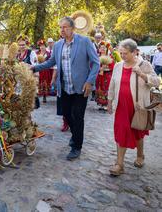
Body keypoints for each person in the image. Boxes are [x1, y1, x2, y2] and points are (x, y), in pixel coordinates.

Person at [32, 16, 100, 160]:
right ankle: (76, 135)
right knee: (67, 115)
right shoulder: (57, 45)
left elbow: (96, 63)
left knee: (78, 116)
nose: (62, 30)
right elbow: (50, 62)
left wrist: (90, 81)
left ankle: (76, 146)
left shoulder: (85, 41)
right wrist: (33, 68)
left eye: (65, 27)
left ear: (72, 28)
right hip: (64, 87)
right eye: (60, 27)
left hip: (82, 87)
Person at [107, 39, 160, 176]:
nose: (122, 56)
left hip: (137, 107)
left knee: (137, 132)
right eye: (121, 53)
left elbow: (156, 82)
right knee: (121, 132)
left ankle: (140, 155)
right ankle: (119, 164)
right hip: (121, 107)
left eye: (125, 53)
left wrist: (142, 74)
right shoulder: (118, 66)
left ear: (134, 52)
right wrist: (109, 101)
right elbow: (112, 84)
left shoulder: (144, 64)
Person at [16, 34, 40, 108]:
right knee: (20, 104)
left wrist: (24, 65)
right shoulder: (17, 54)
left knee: (28, 105)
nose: (21, 46)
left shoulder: (31, 53)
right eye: (19, 45)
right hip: (19, 82)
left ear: (27, 44)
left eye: (23, 45)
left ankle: (28, 119)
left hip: (28, 80)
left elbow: (36, 66)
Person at [95, 43, 115, 110]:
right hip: (100, 75)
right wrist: (100, 69)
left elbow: (112, 66)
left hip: (107, 75)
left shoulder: (109, 57)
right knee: (100, 87)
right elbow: (93, 66)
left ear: (106, 49)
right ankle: (101, 103)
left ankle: (107, 103)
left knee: (107, 87)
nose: (103, 49)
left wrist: (107, 67)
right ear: (99, 49)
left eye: (104, 47)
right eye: (101, 47)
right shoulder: (96, 57)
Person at [51, 67, 69, 132]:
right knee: (64, 105)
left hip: (74, 83)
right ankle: (65, 123)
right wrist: (53, 79)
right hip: (62, 83)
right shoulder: (59, 56)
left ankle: (73, 122)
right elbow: (56, 68)